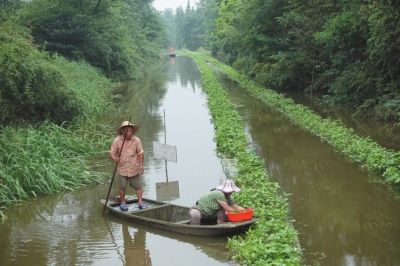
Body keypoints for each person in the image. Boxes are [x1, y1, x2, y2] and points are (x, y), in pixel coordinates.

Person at [109, 121, 145, 211]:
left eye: (130, 130)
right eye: (127, 130)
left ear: (132, 131)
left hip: (134, 167)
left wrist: (141, 165)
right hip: (122, 168)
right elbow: (112, 152)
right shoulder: (117, 140)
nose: (129, 132)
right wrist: (115, 158)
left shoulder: (136, 140)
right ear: (123, 131)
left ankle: (140, 202)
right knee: (122, 187)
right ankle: (123, 202)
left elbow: (140, 153)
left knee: (138, 186)